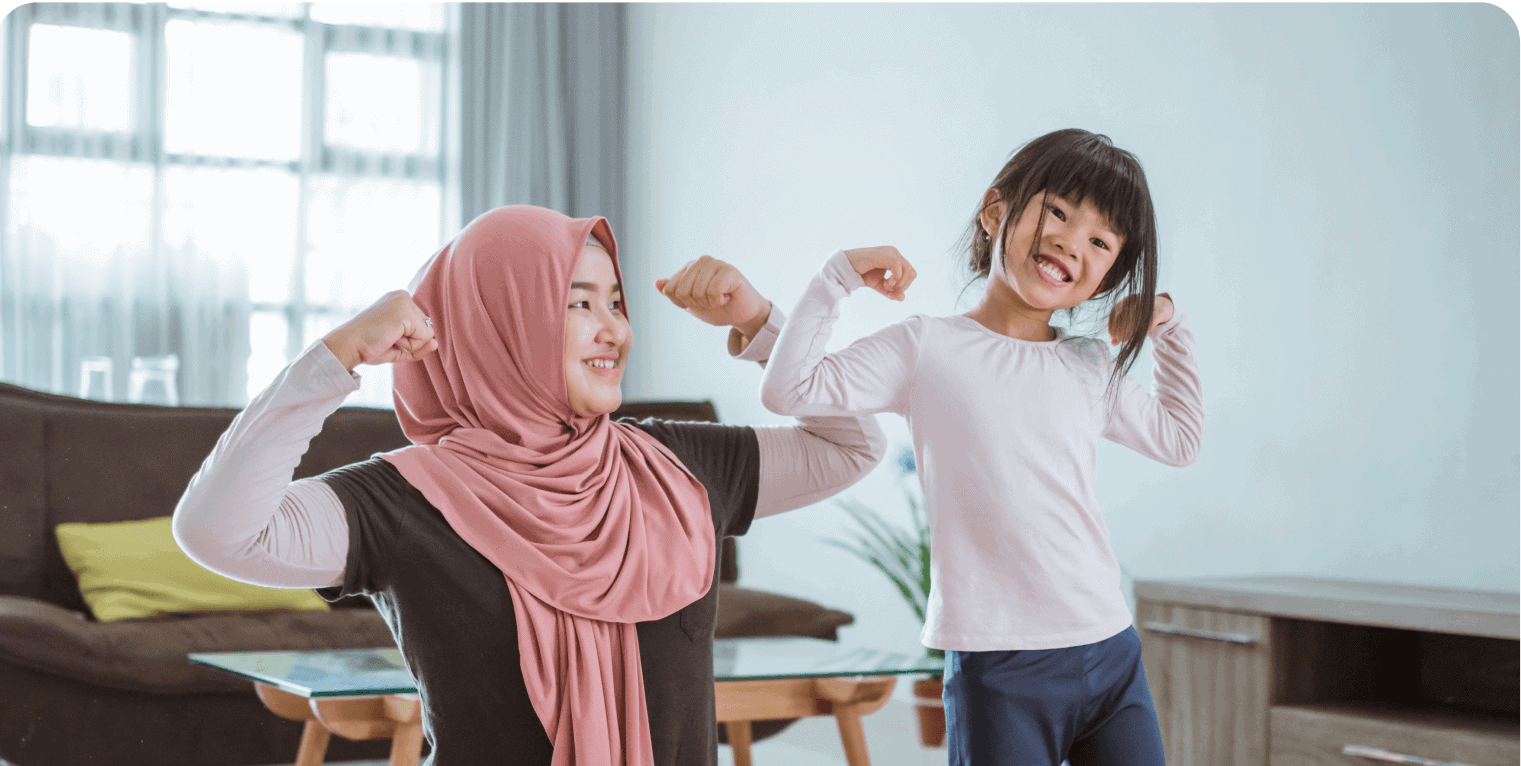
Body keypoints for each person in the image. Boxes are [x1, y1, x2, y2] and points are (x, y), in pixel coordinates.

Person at [172, 205, 887, 766]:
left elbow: (851, 446)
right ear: (498, 324)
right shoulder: (406, 499)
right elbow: (217, 531)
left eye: (615, 302)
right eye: (578, 304)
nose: (613, 330)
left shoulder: (675, 465)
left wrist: (761, 325)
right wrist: (331, 362)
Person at [757, 128, 1204, 765]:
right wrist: (836, 279)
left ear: (1108, 274)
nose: (1068, 241)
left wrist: (1168, 324)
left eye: (1099, 240)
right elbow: (790, 388)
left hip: (1109, 651)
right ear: (997, 212)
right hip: (1000, 667)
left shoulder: (1089, 364)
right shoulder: (925, 348)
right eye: (1056, 211)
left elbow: (1181, 439)